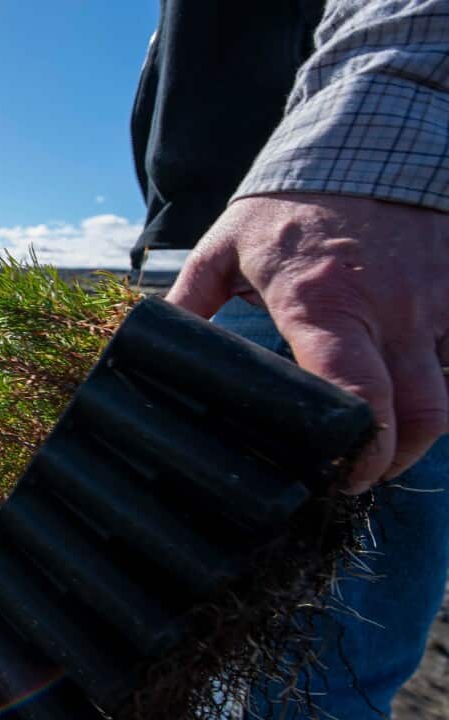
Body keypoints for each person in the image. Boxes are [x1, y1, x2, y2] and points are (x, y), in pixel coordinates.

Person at [132, 1, 448, 716]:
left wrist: (392, 109)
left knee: (302, 673)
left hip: (333, 238)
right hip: (256, 230)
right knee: (166, 636)